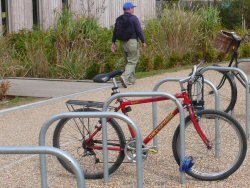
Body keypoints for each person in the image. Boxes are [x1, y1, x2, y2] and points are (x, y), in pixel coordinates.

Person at [111, 2, 146, 87]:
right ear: (130, 9)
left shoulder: (119, 19)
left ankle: (131, 80)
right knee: (133, 61)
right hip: (132, 42)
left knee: (128, 61)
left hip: (122, 43)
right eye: (133, 8)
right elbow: (139, 31)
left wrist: (113, 43)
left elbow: (115, 31)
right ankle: (124, 77)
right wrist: (143, 41)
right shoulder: (133, 18)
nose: (133, 9)